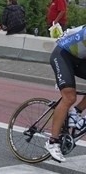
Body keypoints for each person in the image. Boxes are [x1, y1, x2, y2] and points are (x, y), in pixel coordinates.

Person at [45, 25, 86, 162]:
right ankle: (52, 142)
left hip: (79, 59)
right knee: (69, 97)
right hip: (62, 55)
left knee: (72, 102)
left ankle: (77, 111)